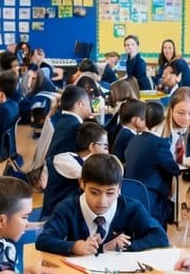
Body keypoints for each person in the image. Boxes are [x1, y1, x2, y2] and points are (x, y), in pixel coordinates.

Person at [36, 154, 169, 255]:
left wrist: (125, 246)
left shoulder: (132, 208)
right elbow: (43, 240)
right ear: (82, 183)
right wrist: (74, 246)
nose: (102, 201)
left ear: (119, 188)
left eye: (110, 193)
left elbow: (160, 237)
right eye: (94, 192)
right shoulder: (67, 208)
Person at [125, 102, 181, 226]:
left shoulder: (134, 139)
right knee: (179, 207)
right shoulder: (158, 143)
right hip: (152, 201)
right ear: (162, 121)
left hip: (131, 197)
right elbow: (175, 169)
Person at [43, 122, 109, 222]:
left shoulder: (81, 163)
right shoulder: (66, 160)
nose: (107, 152)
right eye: (105, 147)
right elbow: (96, 177)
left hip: (72, 217)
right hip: (54, 219)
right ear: (92, 146)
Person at [111, 99, 147, 163]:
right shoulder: (129, 136)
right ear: (136, 120)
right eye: (144, 119)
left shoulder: (124, 131)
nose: (147, 122)